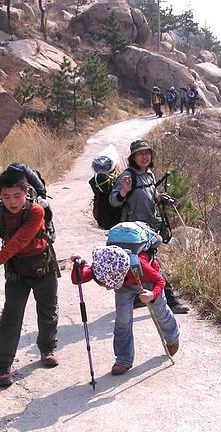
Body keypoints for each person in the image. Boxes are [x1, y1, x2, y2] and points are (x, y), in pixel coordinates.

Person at [0, 167, 59, 387]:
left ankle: (47, 348)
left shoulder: (36, 212)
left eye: (17, 196)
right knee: (11, 315)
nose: (12, 202)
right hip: (16, 269)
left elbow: (18, 241)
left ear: (27, 192)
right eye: (6, 197)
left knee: (48, 310)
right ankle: (3, 365)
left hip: (44, 264)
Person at [71, 244, 180, 375]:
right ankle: (123, 359)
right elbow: (78, 279)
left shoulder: (140, 265)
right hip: (124, 285)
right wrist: (80, 264)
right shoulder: (102, 266)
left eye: (107, 284)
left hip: (147, 281)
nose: (106, 287)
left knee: (160, 312)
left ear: (115, 277)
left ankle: (172, 337)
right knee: (122, 321)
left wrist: (152, 295)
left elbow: (160, 281)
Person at [109, 139, 189, 314]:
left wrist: (160, 198)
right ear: (133, 158)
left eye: (147, 153)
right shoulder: (127, 176)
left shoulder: (149, 174)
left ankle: (138, 298)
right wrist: (123, 191)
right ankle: (171, 301)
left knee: (142, 264)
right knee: (152, 264)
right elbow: (113, 201)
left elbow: (151, 195)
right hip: (132, 233)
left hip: (148, 229)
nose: (145, 156)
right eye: (140, 154)